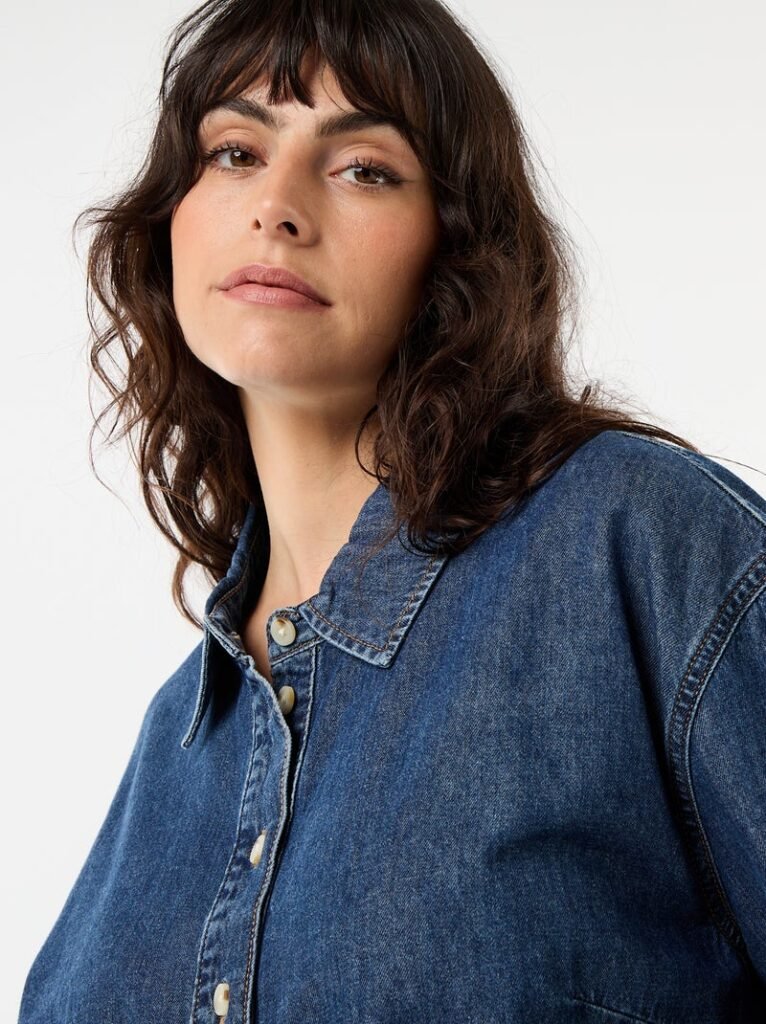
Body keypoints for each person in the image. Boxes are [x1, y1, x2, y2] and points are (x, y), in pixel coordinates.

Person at [18, 0, 766, 1020]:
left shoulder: (636, 545)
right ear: (169, 218)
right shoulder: (176, 741)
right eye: (235, 152)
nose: (276, 206)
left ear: (455, 244)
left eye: (363, 167)